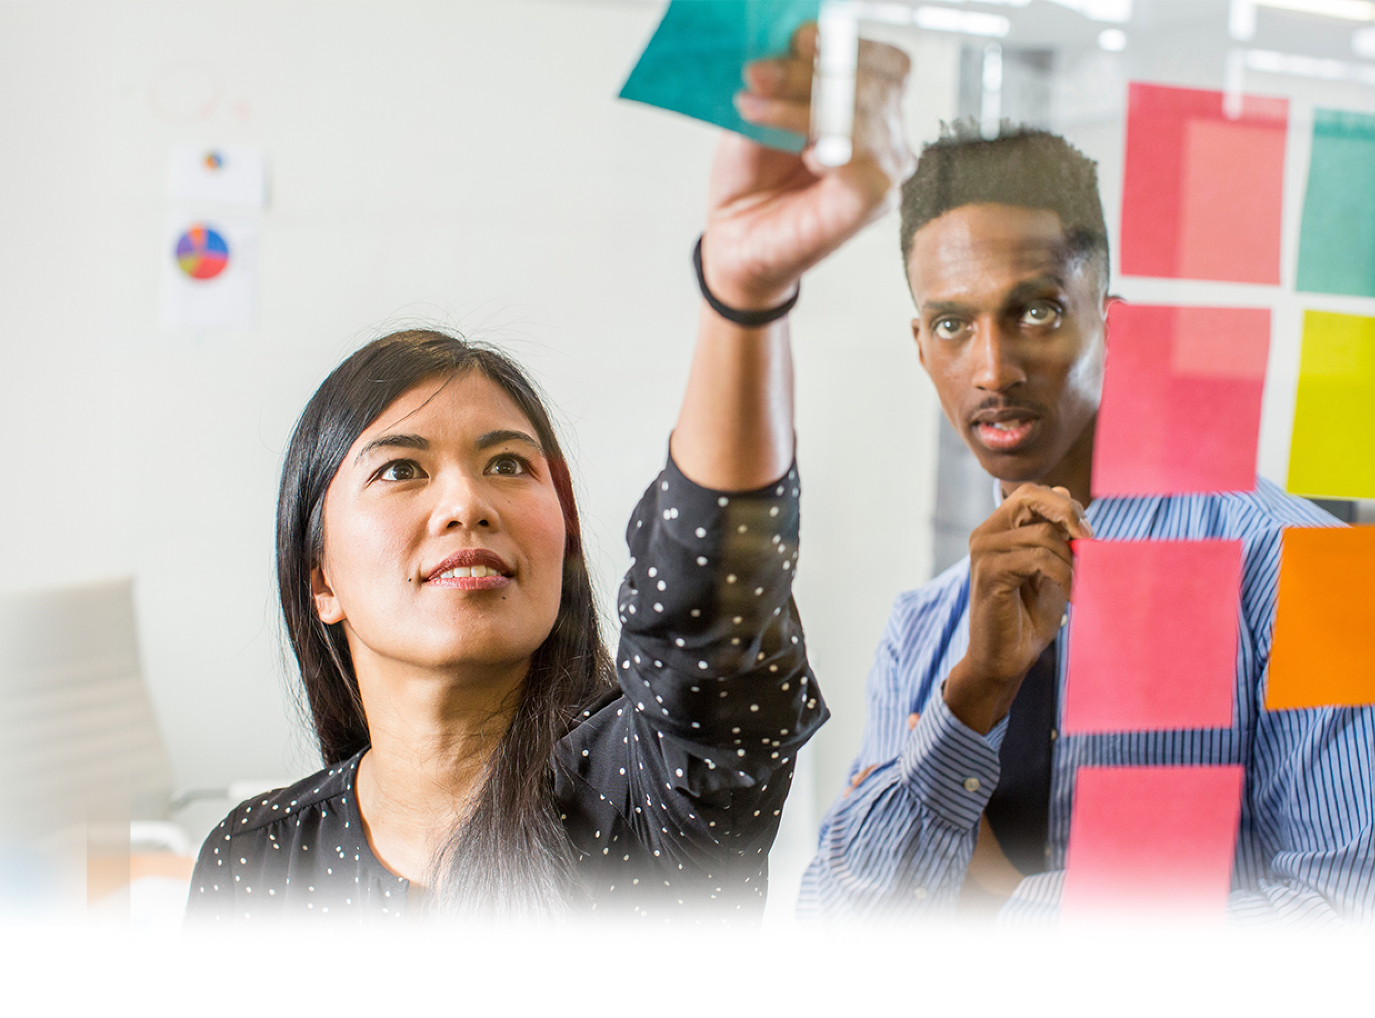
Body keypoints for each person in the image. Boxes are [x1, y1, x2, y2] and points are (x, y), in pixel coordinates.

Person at [185, 26, 912, 925]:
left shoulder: (651, 797)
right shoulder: (255, 861)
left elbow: (708, 600)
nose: (467, 504)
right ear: (321, 578)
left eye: (508, 464)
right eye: (402, 470)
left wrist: (744, 294)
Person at [798, 122, 1375, 927]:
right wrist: (975, 693)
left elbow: (1352, 929)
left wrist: (998, 908)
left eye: (1036, 310)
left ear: (1110, 320)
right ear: (922, 348)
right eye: (953, 324)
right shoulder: (925, 631)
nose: (992, 368)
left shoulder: (1316, 571)